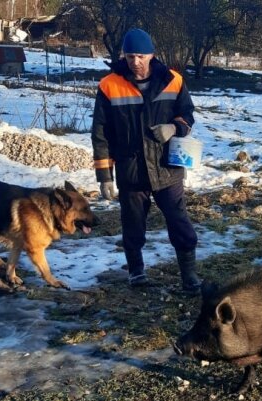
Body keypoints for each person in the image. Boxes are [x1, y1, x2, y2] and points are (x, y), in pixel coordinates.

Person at [91, 28, 200, 293]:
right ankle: (136, 272)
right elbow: (100, 134)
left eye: (140, 56)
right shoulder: (109, 85)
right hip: (131, 171)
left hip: (167, 169)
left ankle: (189, 276)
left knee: (179, 221)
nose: (135, 62)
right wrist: (105, 177)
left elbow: (188, 114)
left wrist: (174, 128)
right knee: (133, 225)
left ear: (151, 55)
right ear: (124, 57)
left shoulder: (172, 80)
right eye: (130, 56)